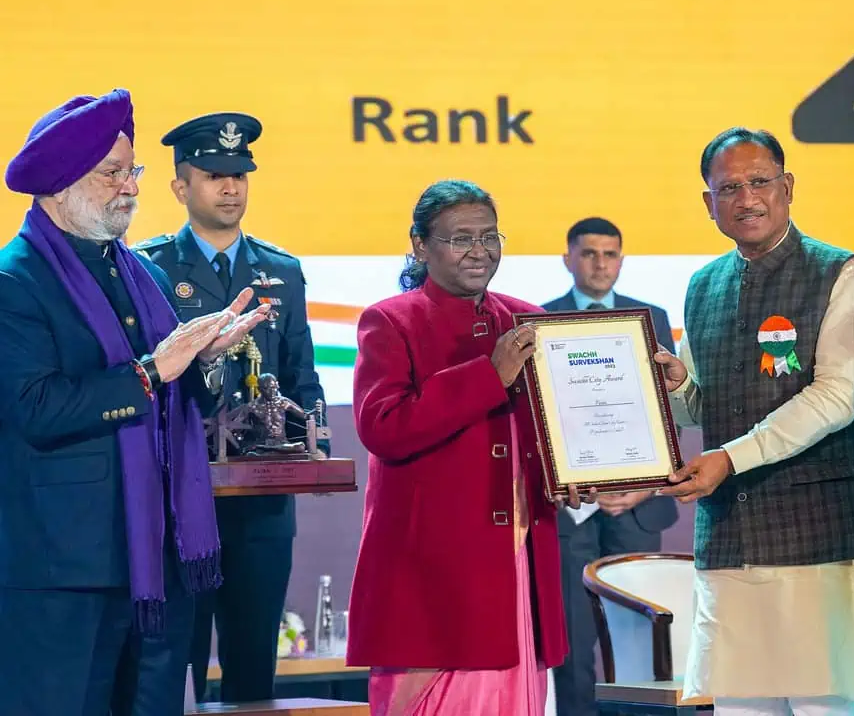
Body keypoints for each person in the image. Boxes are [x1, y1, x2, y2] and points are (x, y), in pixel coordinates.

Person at [0, 89, 269, 716]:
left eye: (133, 171)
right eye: (112, 174)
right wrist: (151, 372)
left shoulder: (133, 271)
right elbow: (37, 408)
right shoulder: (16, 281)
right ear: (60, 185)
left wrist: (202, 361)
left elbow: (175, 392)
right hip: (63, 570)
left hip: (154, 555)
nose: (131, 188)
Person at [654, 127, 854, 716]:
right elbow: (704, 409)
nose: (746, 198)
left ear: (787, 187)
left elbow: (837, 397)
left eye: (760, 182)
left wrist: (730, 458)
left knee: (822, 707)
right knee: (739, 708)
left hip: (816, 534)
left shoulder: (839, 272)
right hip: (729, 538)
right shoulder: (703, 285)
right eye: (728, 187)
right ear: (708, 202)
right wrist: (677, 386)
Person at [347, 179, 591, 715]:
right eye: (461, 239)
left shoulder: (530, 320)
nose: (479, 251)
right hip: (433, 568)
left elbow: (563, 424)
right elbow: (382, 427)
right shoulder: (390, 321)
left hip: (518, 558)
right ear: (420, 245)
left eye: (490, 236)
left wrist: (578, 469)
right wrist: (488, 376)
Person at [134, 112, 325, 704]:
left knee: (252, 666)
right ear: (180, 187)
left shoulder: (282, 271)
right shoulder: (149, 268)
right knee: (172, 665)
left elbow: (301, 375)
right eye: (214, 175)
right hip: (180, 494)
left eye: (240, 174)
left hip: (262, 496)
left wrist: (313, 438)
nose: (231, 187)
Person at [542, 216, 679, 716]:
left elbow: (669, 411)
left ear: (621, 259)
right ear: (568, 258)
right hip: (571, 505)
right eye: (589, 253)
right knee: (574, 642)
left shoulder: (652, 318)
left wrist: (648, 485)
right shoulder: (539, 319)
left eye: (610, 254)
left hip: (638, 507)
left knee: (642, 641)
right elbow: (541, 416)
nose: (600, 264)